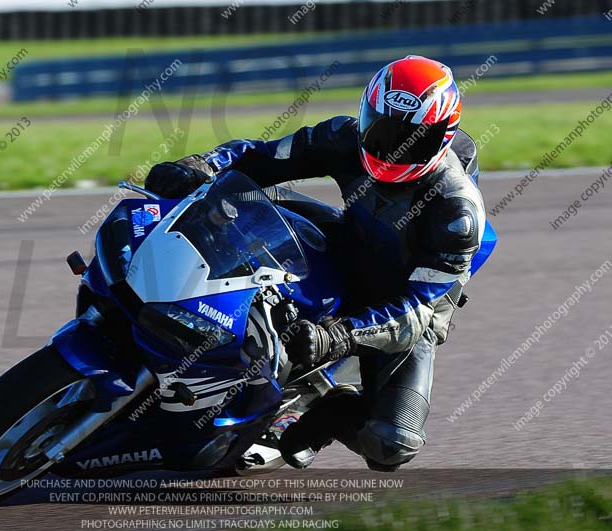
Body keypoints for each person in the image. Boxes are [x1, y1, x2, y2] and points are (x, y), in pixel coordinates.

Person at [144, 56, 487, 472]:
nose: (389, 146)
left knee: (393, 444)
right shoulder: (343, 136)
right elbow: (261, 156)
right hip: (350, 243)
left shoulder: (456, 211)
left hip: (403, 303)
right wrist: (202, 164)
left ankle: (334, 406)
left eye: (411, 139)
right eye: (380, 128)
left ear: (441, 138)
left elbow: (418, 312)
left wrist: (339, 336)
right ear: (366, 114)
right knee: (244, 201)